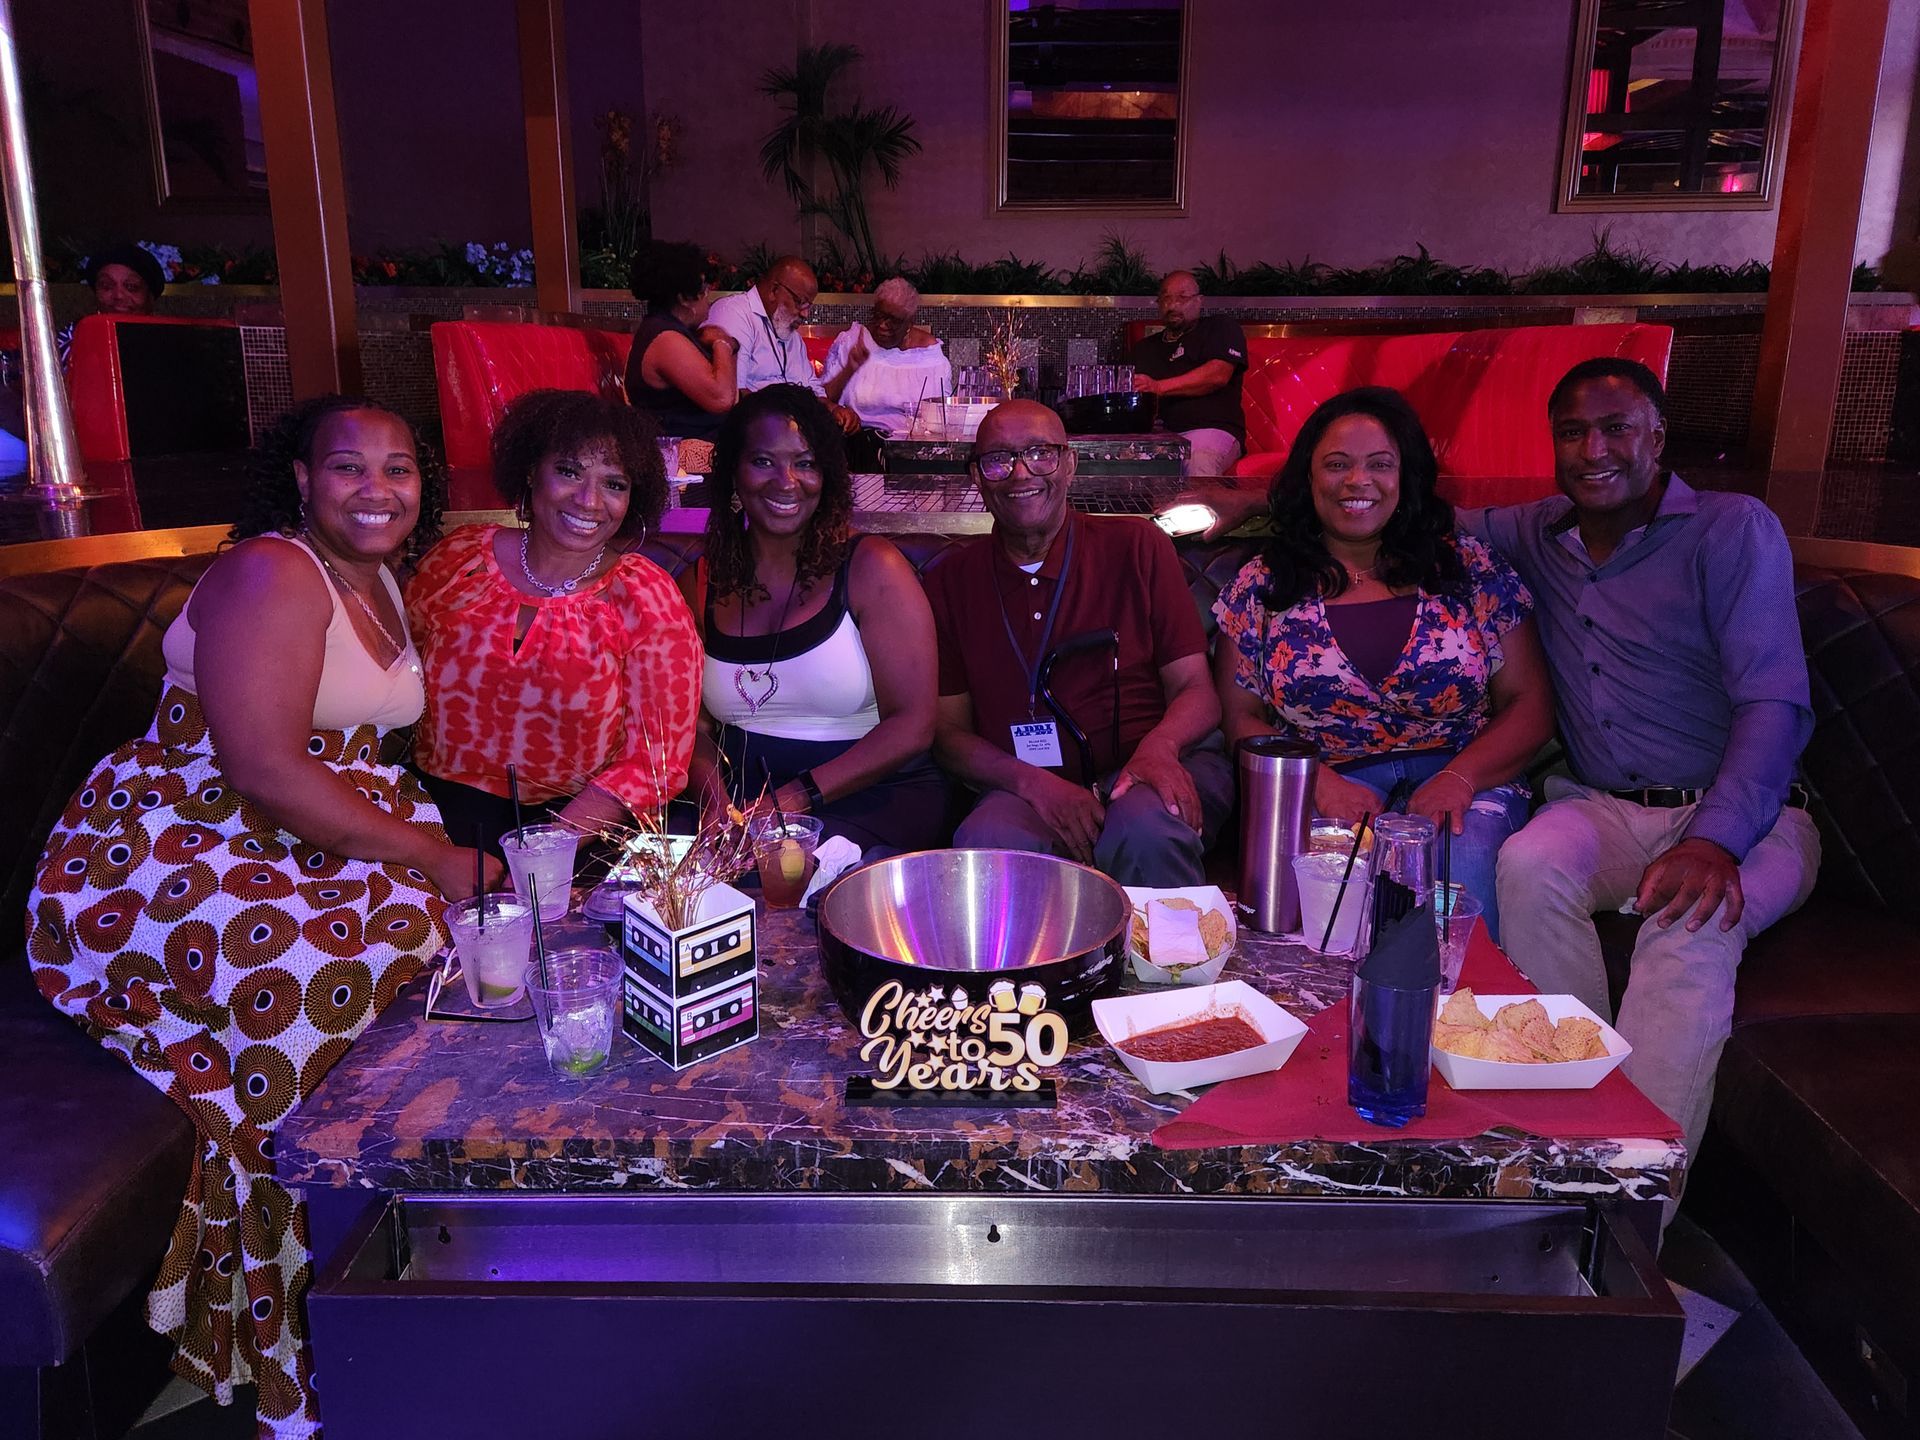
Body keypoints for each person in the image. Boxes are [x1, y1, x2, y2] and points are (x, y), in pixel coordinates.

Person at [26, 395, 497, 1437]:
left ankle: (422, 1281)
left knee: (455, 975)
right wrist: (435, 854)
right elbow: (264, 766)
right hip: (179, 840)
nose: (376, 490)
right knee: (319, 1007)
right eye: (348, 468)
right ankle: (308, 1336)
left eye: (399, 469)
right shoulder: (273, 571)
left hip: (315, 831)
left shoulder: (378, 571)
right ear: (300, 479)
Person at [1472, 358, 1820, 1168]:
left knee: (1686, 929)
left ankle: (1634, 1211)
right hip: (1607, 808)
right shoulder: (1535, 534)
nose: (1594, 448)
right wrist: (1243, 503)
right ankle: (1571, 1141)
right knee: (1526, 861)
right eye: (1572, 431)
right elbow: (1406, 513)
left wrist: (1717, 840)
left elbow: (1776, 702)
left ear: (1657, 438)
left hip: (1757, 819)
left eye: (1617, 427)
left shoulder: (1733, 529)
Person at [1212, 387, 1553, 940]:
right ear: (1309, 478)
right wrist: (1317, 782)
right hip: (1331, 785)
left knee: (1453, 875)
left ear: (1407, 476)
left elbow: (1532, 704)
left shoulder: (1468, 567)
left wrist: (1458, 780)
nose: (1357, 481)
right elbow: (1240, 718)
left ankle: (1453, 1021)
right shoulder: (1262, 584)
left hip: (1466, 777)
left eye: (1380, 464)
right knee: (1329, 910)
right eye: (1337, 464)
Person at [927, 399, 1233, 885]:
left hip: (1151, 763)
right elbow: (947, 734)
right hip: (1022, 785)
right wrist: (1035, 785)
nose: (1021, 473)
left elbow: (1196, 689)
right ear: (977, 478)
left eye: (1041, 453)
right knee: (991, 844)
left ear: (1070, 465)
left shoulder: (1137, 546)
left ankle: (1165, 963)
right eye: (998, 460)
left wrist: (1159, 748)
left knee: (1145, 832)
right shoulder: (950, 580)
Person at [408, 389, 702, 851]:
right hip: (431, 820)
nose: (589, 500)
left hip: (578, 831)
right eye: (568, 471)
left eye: (615, 484)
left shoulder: (646, 598)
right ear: (530, 472)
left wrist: (546, 850)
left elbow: (654, 761)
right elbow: (396, 676)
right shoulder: (458, 560)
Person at [687, 384, 946, 853]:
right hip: (740, 801)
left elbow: (914, 724)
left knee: (784, 875)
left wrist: (790, 802)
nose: (787, 481)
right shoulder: (704, 578)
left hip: (870, 795)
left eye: (805, 463)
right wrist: (713, 801)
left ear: (827, 475)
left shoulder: (871, 567)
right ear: (732, 473)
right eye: (763, 461)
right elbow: (694, 726)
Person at [706, 255, 861, 433]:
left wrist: (834, 410)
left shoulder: (789, 332)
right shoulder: (735, 313)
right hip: (749, 434)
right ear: (774, 290)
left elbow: (813, 393)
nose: (805, 314)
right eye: (800, 302)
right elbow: (736, 395)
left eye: (809, 306)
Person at [1129, 269, 1249, 477]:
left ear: (1199, 301)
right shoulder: (1144, 348)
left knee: (1198, 460)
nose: (1173, 305)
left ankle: (1203, 510)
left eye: (1182, 297)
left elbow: (1218, 375)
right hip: (1159, 435)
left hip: (1211, 430)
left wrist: (1158, 387)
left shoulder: (1220, 328)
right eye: (1166, 298)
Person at [625, 238, 738, 445]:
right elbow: (721, 399)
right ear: (685, 299)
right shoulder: (665, 339)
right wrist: (721, 343)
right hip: (682, 457)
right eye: (705, 292)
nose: (708, 299)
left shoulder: (672, 331)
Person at [821, 276, 952, 437]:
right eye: (878, 315)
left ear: (909, 322)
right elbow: (823, 399)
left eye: (893, 321)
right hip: (860, 441)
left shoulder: (930, 355)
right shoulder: (852, 341)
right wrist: (849, 369)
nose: (882, 325)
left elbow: (943, 415)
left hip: (914, 443)